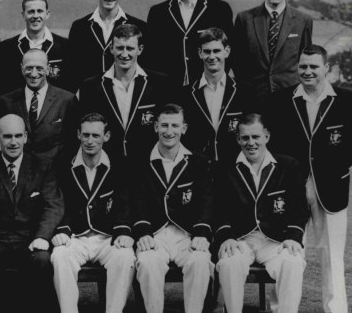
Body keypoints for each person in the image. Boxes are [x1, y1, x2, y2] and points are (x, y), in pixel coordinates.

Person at [268, 44, 352, 313]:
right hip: (292, 188)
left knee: (332, 255)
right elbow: (274, 146)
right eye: (302, 66)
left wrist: (342, 169)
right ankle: (281, 307)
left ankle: (335, 308)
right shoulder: (281, 100)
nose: (307, 71)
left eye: (314, 66)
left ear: (327, 68)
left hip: (332, 188)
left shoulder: (346, 100)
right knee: (287, 252)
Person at [214, 113, 309, 313]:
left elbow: (299, 207)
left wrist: (293, 236)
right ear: (238, 139)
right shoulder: (226, 167)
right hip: (241, 238)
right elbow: (218, 207)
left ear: (266, 136)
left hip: (274, 239)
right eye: (245, 138)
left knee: (292, 261)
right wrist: (226, 236)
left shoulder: (288, 165)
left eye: (256, 137)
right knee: (229, 263)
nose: (251, 143)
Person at [0, 114, 63, 313]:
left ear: (26, 137)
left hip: (30, 238)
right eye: (7, 136)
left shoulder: (43, 166)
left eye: (18, 136)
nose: (13, 142)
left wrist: (42, 237)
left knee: (42, 259)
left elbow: (53, 205)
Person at [131, 103, 213, 313]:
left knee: (200, 261)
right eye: (164, 125)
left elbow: (206, 200)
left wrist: (202, 232)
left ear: (184, 128)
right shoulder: (141, 161)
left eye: (175, 125)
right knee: (148, 262)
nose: (169, 131)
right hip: (155, 233)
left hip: (186, 234)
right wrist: (142, 232)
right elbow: (136, 200)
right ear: (155, 126)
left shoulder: (198, 162)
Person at [51, 112, 135, 313]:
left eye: (96, 135)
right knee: (60, 255)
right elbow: (57, 200)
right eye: (86, 135)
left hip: (107, 236)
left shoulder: (119, 164)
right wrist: (62, 229)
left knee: (125, 256)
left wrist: (123, 231)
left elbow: (125, 202)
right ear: (78, 134)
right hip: (76, 236)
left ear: (106, 137)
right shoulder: (64, 163)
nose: (90, 141)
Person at [79, 24, 168, 159]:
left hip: (147, 165)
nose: (124, 54)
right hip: (107, 165)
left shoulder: (159, 83)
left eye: (130, 48)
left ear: (140, 49)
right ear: (111, 49)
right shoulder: (90, 86)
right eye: (120, 48)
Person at [233, 0, 312, 107]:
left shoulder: (303, 20)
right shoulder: (244, 19)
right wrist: (247, 89)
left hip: (290, 98)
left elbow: (306, 61)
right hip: (253, 99)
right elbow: (237, 62)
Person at [143, 0, 233, 89]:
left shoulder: (220, 10)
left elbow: (229, 52)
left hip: (207, 88)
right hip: (169, 90)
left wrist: (214, 82)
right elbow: (151, 57)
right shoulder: (158, 13)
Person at [181, 28, 256, 164]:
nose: (211, 57)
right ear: (199, 53)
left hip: (235, 168)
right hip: (199, 168)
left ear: (226, 51)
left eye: (216, 51)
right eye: (207, 51)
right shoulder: (186, 94)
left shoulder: (245, 91)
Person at [67, 0, 147, 92]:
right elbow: (72, 68)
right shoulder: (79, 27)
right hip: (89, 95)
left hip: (125, 94)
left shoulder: (139, 26)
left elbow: (145, 66)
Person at [0, 49, 78, 165]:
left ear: (48, 68)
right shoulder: (7, 101)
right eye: (29, 68)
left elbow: (73, 141)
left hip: (55, 173)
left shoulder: (67, 100)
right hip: (19, 172)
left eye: (39, 68)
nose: (34, 74)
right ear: (22, 68)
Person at [0, 0, 70, 93]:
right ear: (23, 15)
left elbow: (70, 85)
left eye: (40, 11)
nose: (35, 16)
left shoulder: (66, 47)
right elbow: (3, 85)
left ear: (47, 14)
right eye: (31, 12)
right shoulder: (6, 48)